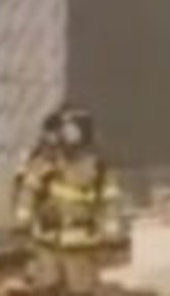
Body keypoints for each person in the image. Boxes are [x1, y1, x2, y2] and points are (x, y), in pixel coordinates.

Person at [14, 104, 126, 296]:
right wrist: (23, 220)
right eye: (63, 131)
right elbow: (29, 191)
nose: (63, 137)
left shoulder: (98, 168)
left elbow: (111, 201)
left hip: (81, 244)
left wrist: (111, 231)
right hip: (48, 240)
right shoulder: (48, 162)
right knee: (46, 287)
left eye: (68, 131)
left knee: (80, 290)